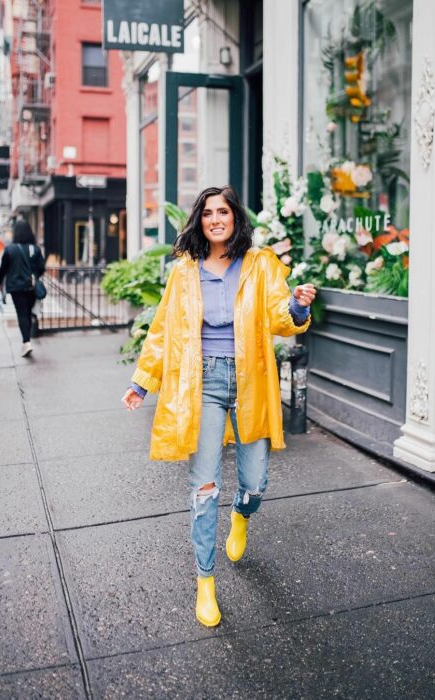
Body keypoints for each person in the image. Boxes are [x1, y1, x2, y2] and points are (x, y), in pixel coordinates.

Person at [122, 185, 316, 627]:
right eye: (207, 213)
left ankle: (242, 515)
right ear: (199, 220)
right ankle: (205, 583)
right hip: (202, 383)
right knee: (203, 487)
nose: (215, 219)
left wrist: (297, 307)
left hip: (250, 382)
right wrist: (142, 383)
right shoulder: (185, 273)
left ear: (235, 218)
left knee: (255, 482)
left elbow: (280, 320)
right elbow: (161, 331)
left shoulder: (261, 265)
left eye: (223, 212)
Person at [0, 220, 45, 357]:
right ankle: (27, 340)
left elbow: (3, 269)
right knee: (28, 313)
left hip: (16, 287)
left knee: (22, 313)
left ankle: (26, 342)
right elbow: (42, 268)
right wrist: (35, 275)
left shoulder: (10, 249)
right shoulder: (35, 248)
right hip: (31, 286)